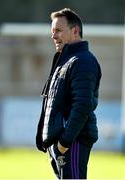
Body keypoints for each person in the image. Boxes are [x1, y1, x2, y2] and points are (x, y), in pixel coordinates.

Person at [36, 8, 102, 179]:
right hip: (60, 145)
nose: (53, 36)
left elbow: (83, 105)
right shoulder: (65, 60)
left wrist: (64, 143)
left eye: (58, 30)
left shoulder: (83, 61)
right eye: (52, 31)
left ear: (75, 31)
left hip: (73, 142)